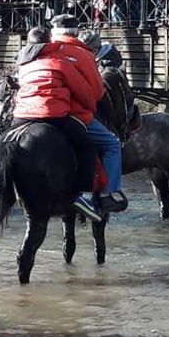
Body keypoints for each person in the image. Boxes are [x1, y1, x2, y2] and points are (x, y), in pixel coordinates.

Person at [10, 23, 103, 221]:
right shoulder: (59, 61)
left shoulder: (22, 63)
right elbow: (86, 93)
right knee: (86, 147)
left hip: (21, 116)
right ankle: (83, 196)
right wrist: (89, 109)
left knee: (5, 143)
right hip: (52, 114)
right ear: (50, 40)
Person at [52, 17, 128, 214]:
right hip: (73, 114)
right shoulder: (83, 55)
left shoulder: (43, 50)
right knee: (112, 144)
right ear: (75, 32)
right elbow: (96, 93)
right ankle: (106, 195)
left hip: (32, 111)